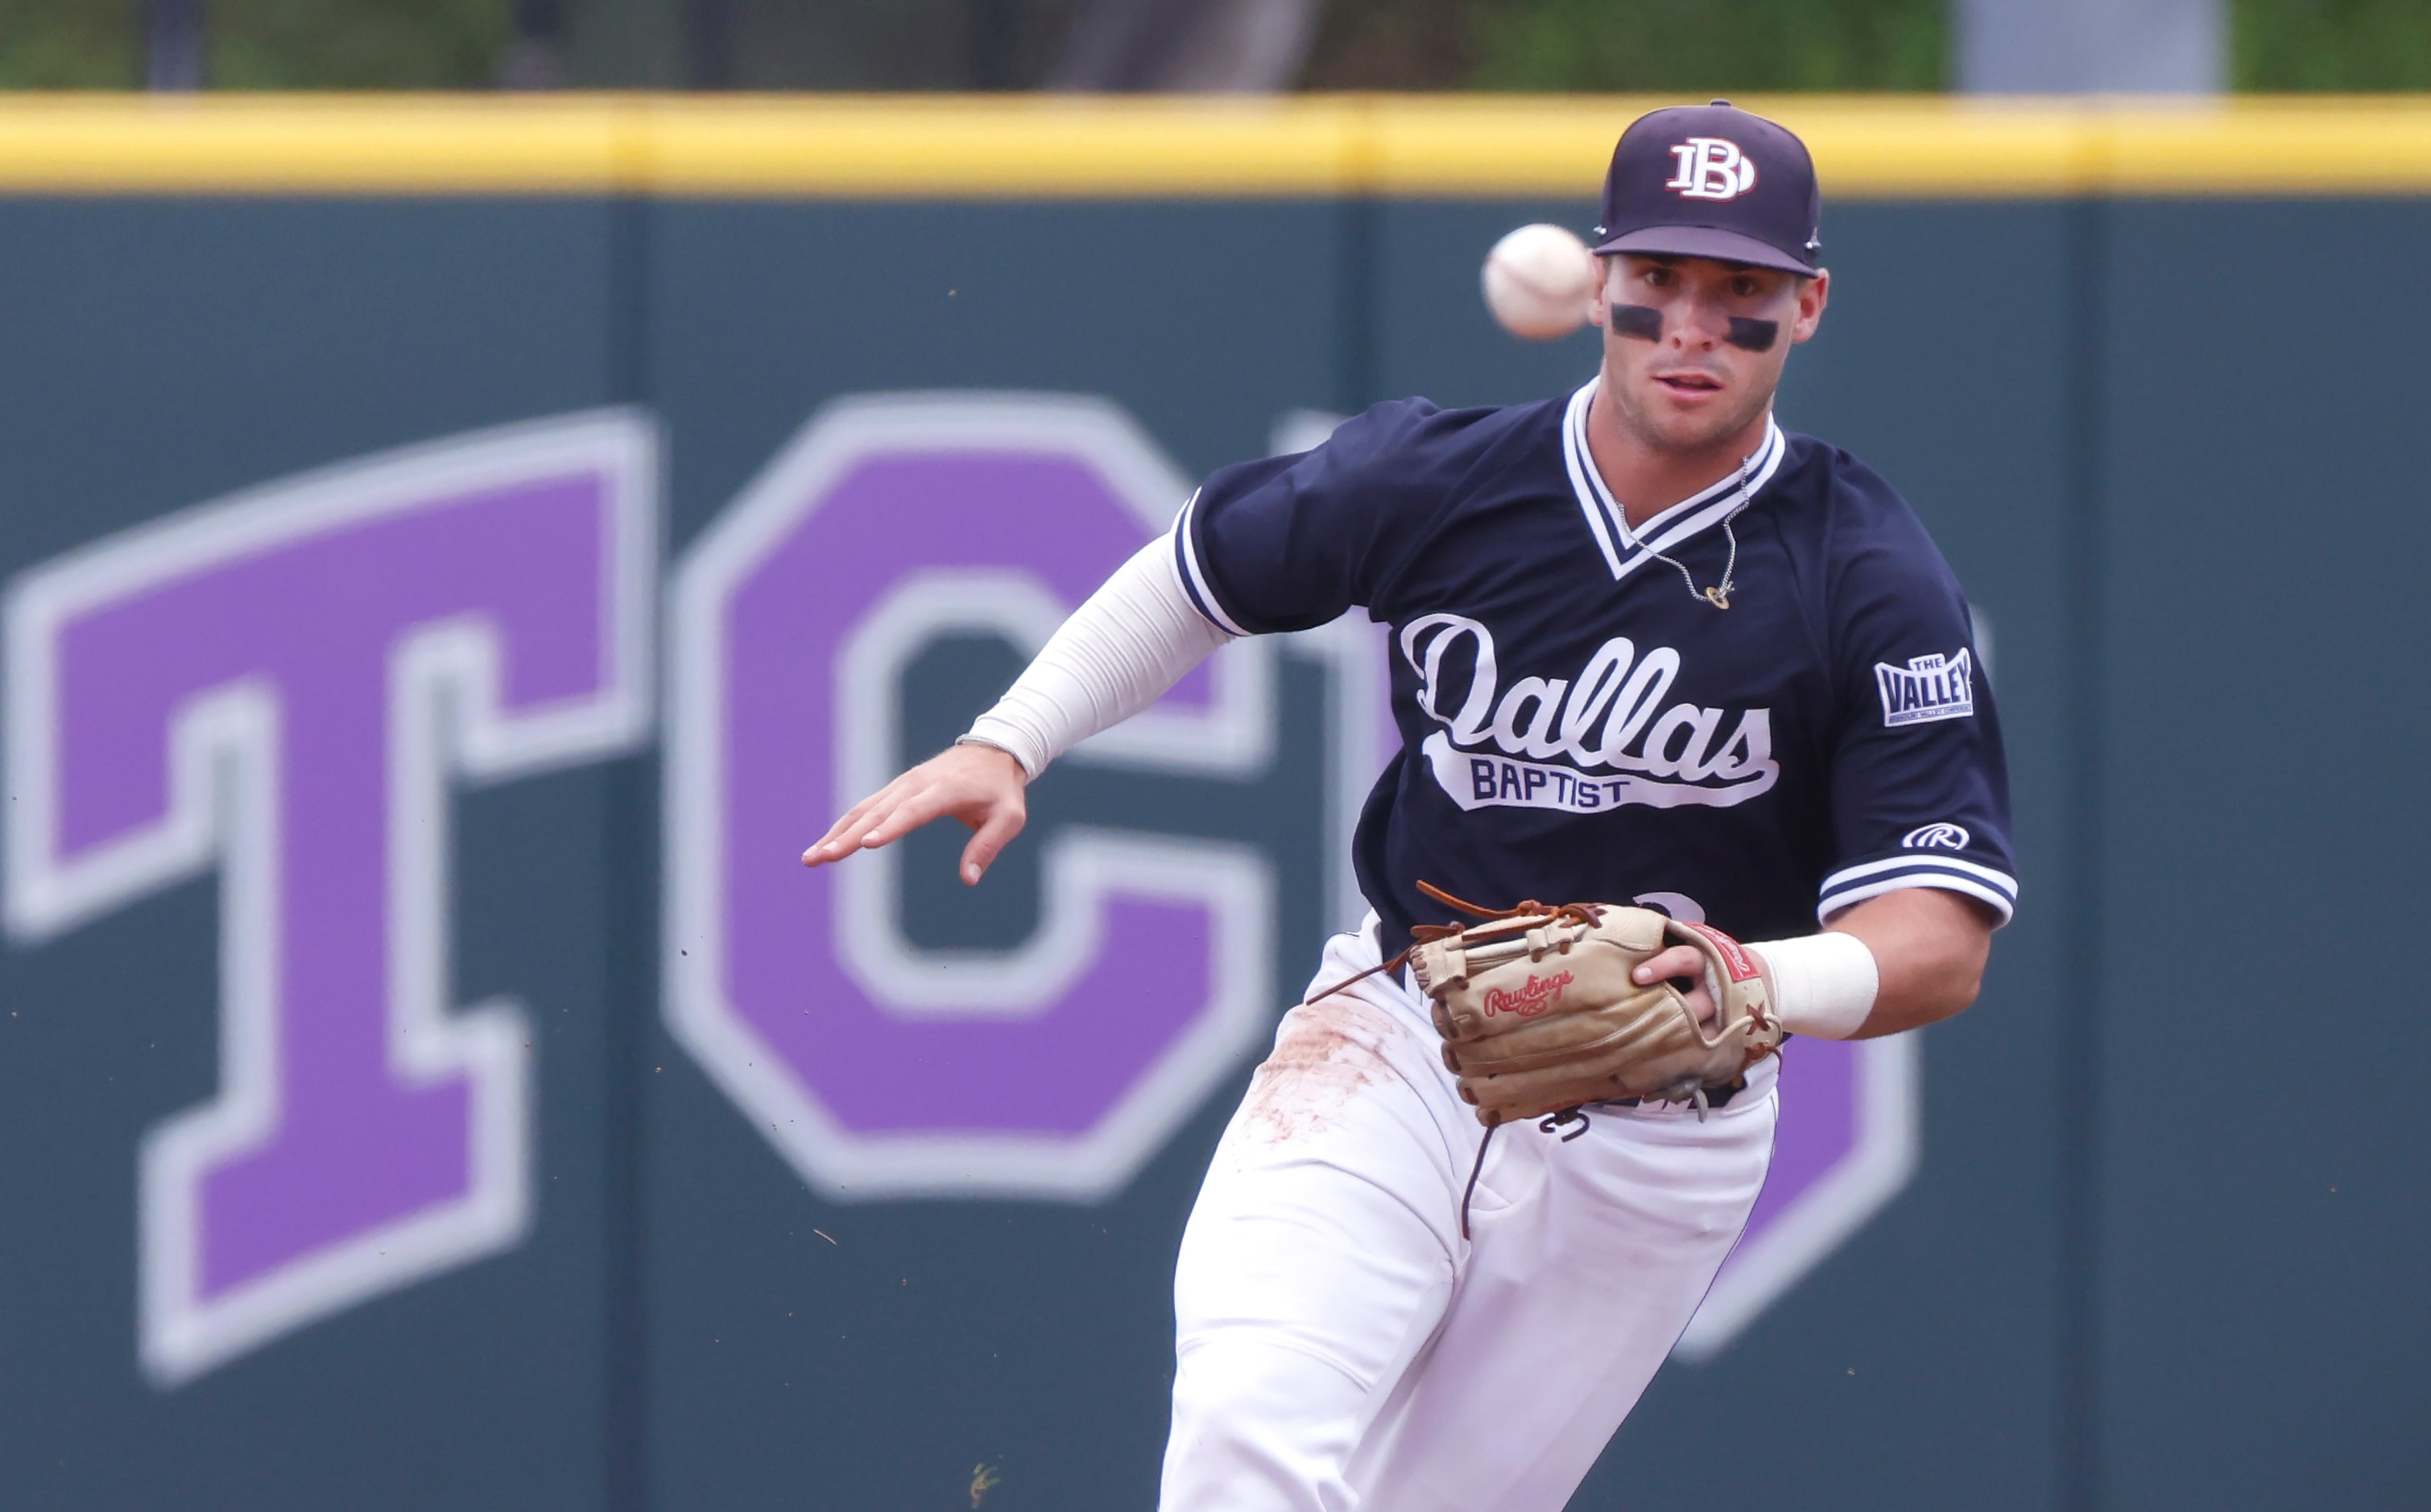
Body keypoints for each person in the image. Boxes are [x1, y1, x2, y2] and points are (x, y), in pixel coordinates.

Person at [804, 101, 2013, 1512]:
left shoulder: (1866, 571)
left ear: (1806, 307)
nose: (1692, 327)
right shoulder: (1441, 480)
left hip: (1666, 1118)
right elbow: (1200, 573)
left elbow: (1942, 940)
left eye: (1740, 292)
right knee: (1246, 1444)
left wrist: (1766, 974)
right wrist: (1009, 738)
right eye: (1662, 283)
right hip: (1400, 1033)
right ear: (1603, 283)